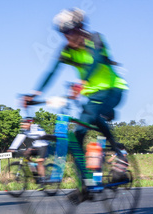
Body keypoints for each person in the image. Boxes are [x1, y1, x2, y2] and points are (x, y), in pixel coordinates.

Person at [24, 8, 127, 160]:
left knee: (91, 114)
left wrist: (82, 82)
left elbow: (96, 61)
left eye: (69, 31)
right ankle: (85, 180)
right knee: (78, 134)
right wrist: (35, 94)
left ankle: (118, 152)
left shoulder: (96, 39)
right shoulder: (67, 50)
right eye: (63, 33)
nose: (67, 36)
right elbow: (52, 72)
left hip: (113, 90)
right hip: (92, 95)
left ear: (80, 28)